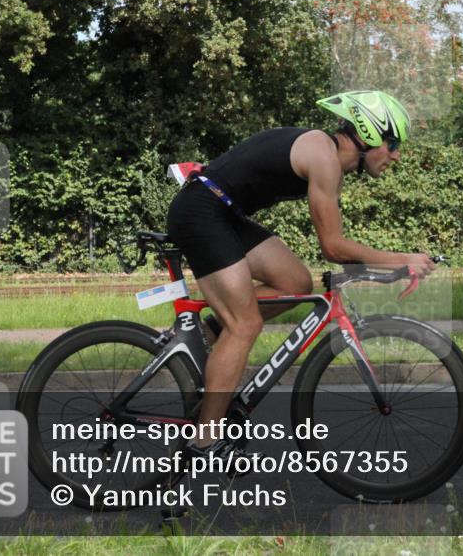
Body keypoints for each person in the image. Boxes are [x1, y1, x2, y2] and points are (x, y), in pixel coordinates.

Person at [166, 90, 436, 457]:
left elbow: (340, 253)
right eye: (391, 143)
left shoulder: (329, 160)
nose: (396, 155)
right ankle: (204, 441)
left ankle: (210, 332)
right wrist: (400, 259)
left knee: (295, 283)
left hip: (224, 212)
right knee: (244, 324)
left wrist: (387, 268)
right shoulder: (323, 158)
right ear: (369, 134)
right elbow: (333, 247)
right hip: (203, 211)